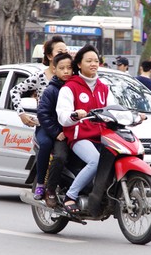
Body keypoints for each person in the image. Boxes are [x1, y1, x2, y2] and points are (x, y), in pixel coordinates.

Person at [55, 45, 118, 213]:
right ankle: (71, 196)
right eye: (89, 61)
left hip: (102, 135)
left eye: (96, 61)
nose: (93, 64)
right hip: (79, 136)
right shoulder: (70, 87)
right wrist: (74, 115)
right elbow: (62, 115)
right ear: (79, 64)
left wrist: (134, 115)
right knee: (95, 160)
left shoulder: (104, 88)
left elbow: (114, 109)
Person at [10, 35, 68, 200]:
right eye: (60, 51)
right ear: (50, 56)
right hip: (46, 125)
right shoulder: (40, 76)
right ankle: (41, 183)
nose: (64, 54)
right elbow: (15, 91)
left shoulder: (70, 75)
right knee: (46, 143)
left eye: (66, 51)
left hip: (67, 124)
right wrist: (22, 114)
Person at [36, 52, 73, 207]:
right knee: (47, 146)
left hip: (69, 130)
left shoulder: (76, 87)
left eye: (69, 68)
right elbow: (43, 114)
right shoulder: (51, 90)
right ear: (54, 69)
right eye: (61, 68)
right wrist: (56, 132)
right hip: (50, 128)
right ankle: (42, 185)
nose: (66, 71)